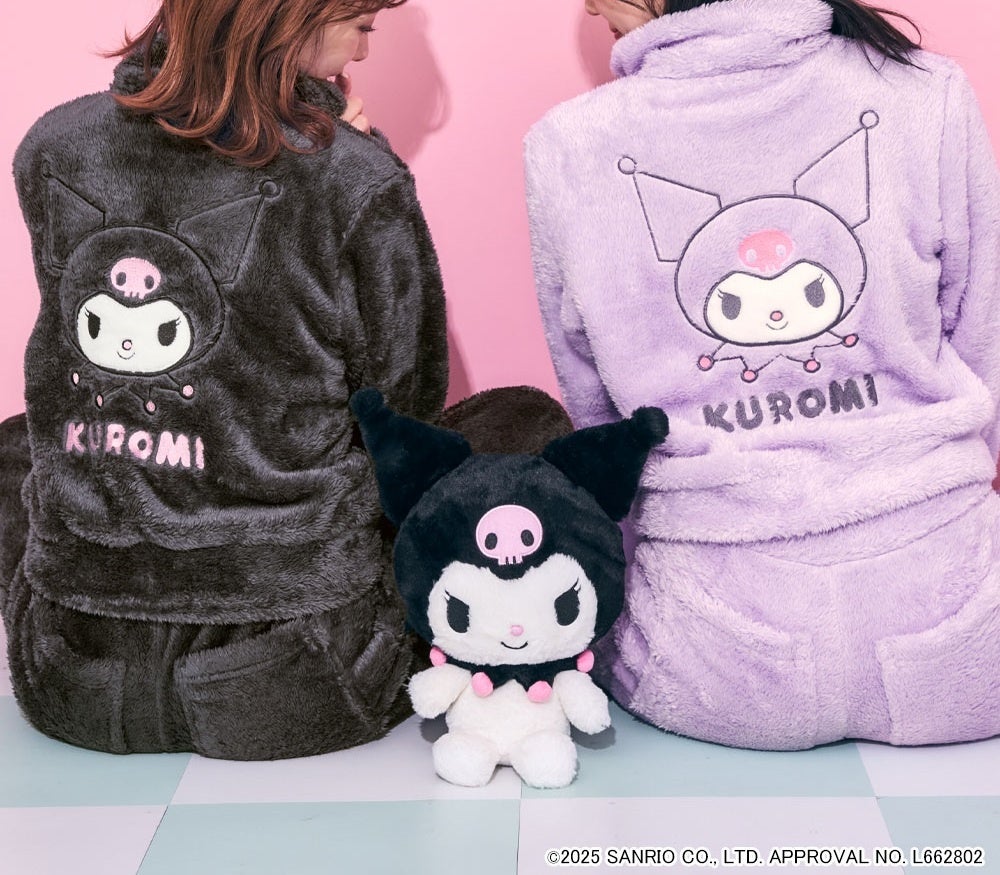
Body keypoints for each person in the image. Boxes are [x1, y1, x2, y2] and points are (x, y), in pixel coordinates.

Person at [524, 0, 1000, 749]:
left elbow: (596, 413)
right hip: (966, 625)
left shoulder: (567, 145)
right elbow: (982, 332)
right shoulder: (927, 92)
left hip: (712, 654)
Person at [0, 0, 449, 759]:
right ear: (294, 13)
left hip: (71, 664)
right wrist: (360, 155)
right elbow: (407, 401)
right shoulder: (353, 176)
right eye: (363, 26)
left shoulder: (52, 146)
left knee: (21, 444)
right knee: (509, 422)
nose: (364, 55)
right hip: (298, 659)